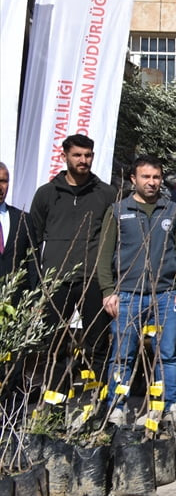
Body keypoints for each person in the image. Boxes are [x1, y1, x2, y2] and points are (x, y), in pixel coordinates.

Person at [96, 155, 176, 428]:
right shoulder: (118, 211)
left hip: (165, 297)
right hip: (126, 296)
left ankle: (169, 404)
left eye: (156, 177)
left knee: (167, 354)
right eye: (146, 177)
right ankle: (117, 406)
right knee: (122, 354)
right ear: (133, 179)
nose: (151, 183)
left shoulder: (172, 211)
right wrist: (108, 291)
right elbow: (105, 256)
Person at [28, 134, 119, 374]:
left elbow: (116, 240)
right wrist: (37, 285)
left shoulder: (107, 194)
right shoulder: (46, 194)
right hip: (56, 281)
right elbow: (33, 241)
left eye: (88, 155)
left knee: (98, 344)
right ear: (64, 156)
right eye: (77, 155)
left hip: (93, 280)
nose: (83, 160)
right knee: (53, 345)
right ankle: (55, 403)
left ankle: (97, 404)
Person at [0, 162, 34, 284]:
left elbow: (32, 262)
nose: (0, 187)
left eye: (4, 181)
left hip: (16, 298)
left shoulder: (23, 219)